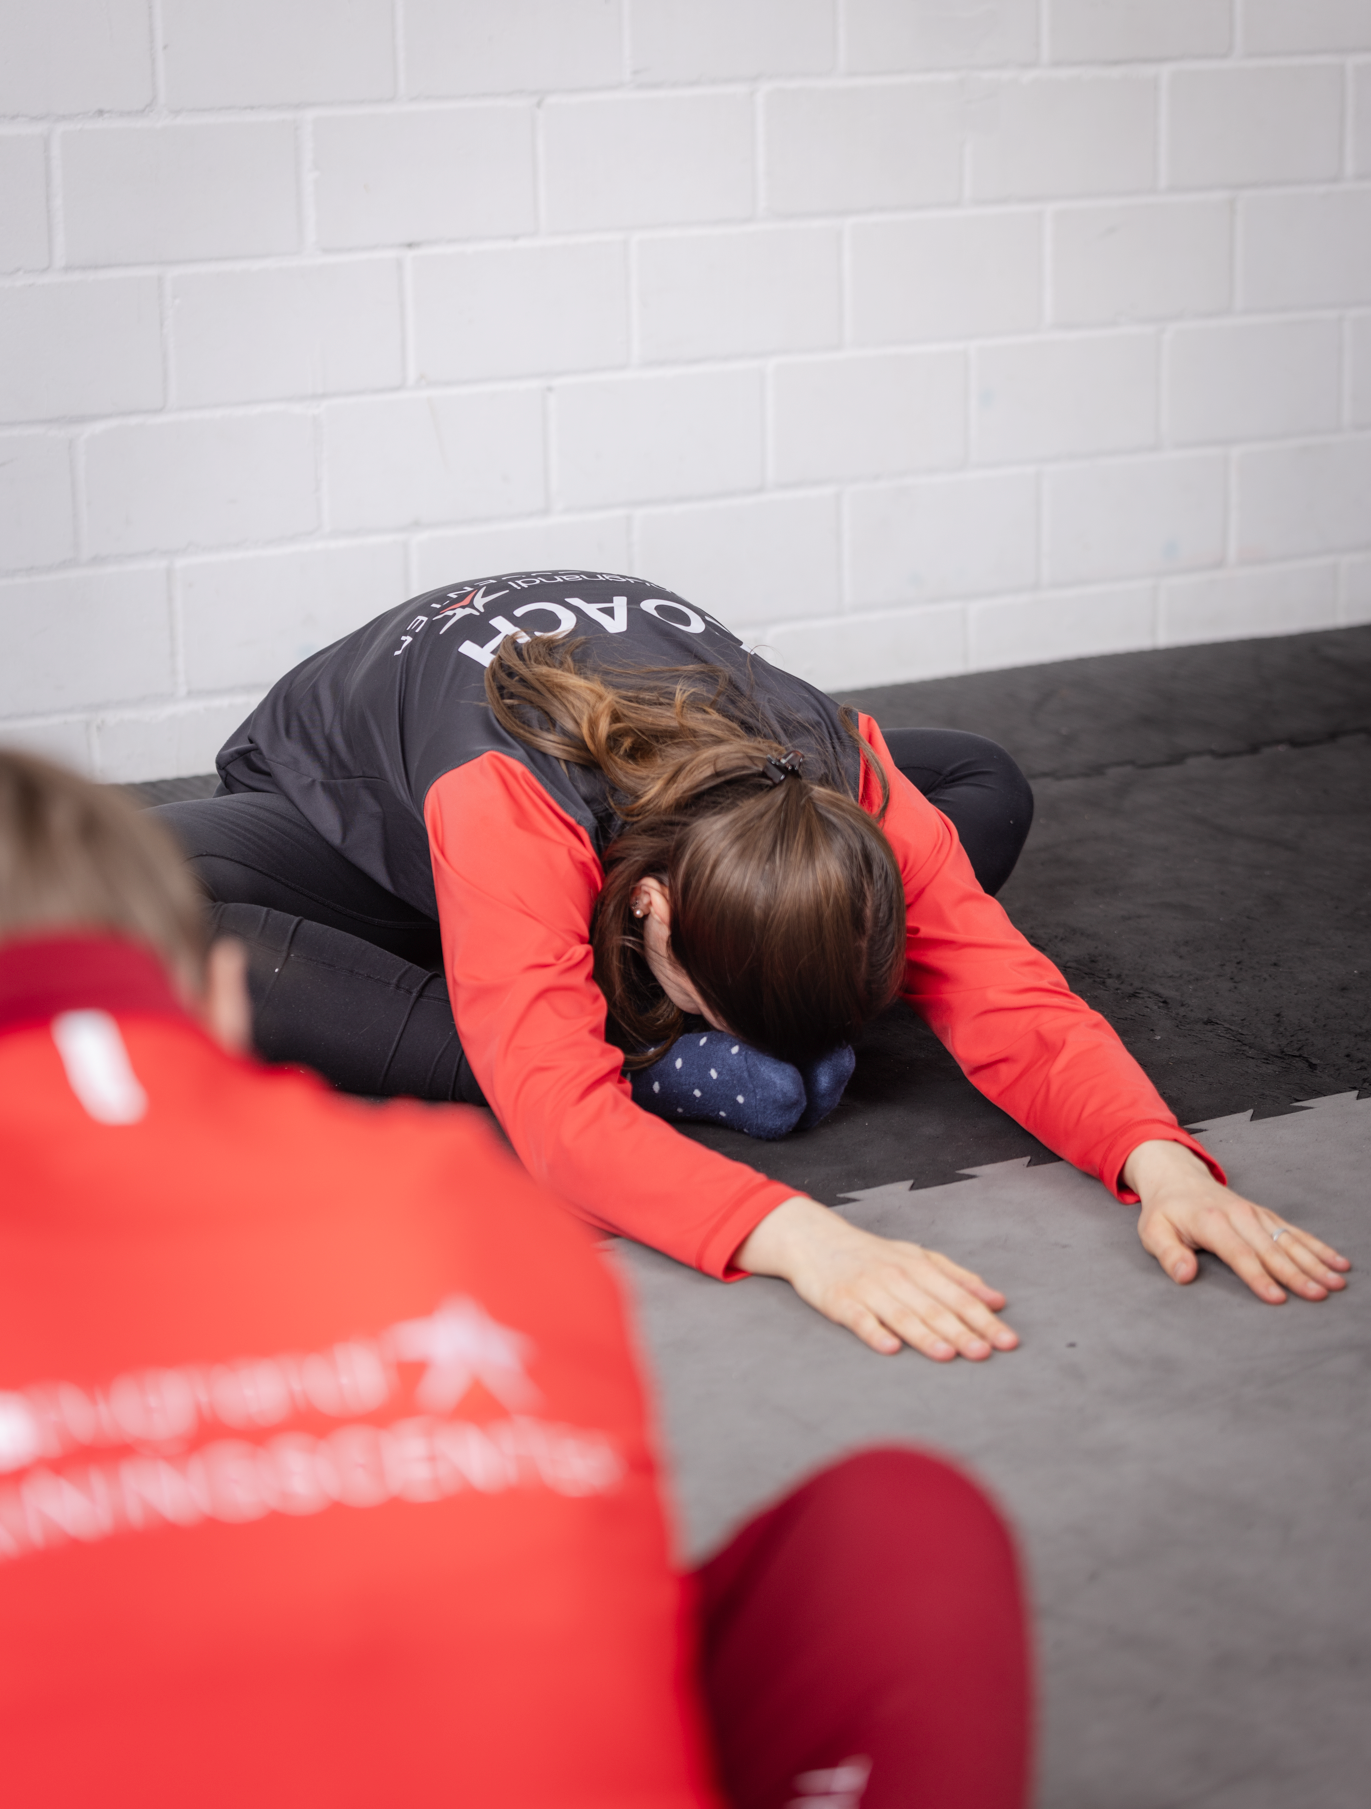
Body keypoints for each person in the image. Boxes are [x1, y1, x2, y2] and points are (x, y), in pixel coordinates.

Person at [0, 748, 1031, 1808]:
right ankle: (644, 1060)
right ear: (218, 1004)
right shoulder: (465, 1196)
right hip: (458, 941)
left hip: (503, 959)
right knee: (906, 1525)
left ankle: (627, 1051)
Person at [158, 570, 1349, 1362]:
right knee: (137, 907)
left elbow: (1012, 995)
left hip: (646, 854)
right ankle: (646, 1047)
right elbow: (561, 1131)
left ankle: (602, 1005)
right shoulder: (502, 801)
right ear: (658, 922)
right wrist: (807, 1240)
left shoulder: (845, 770)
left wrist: (1165, 1166)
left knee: (984, 774)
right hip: (372, 847)